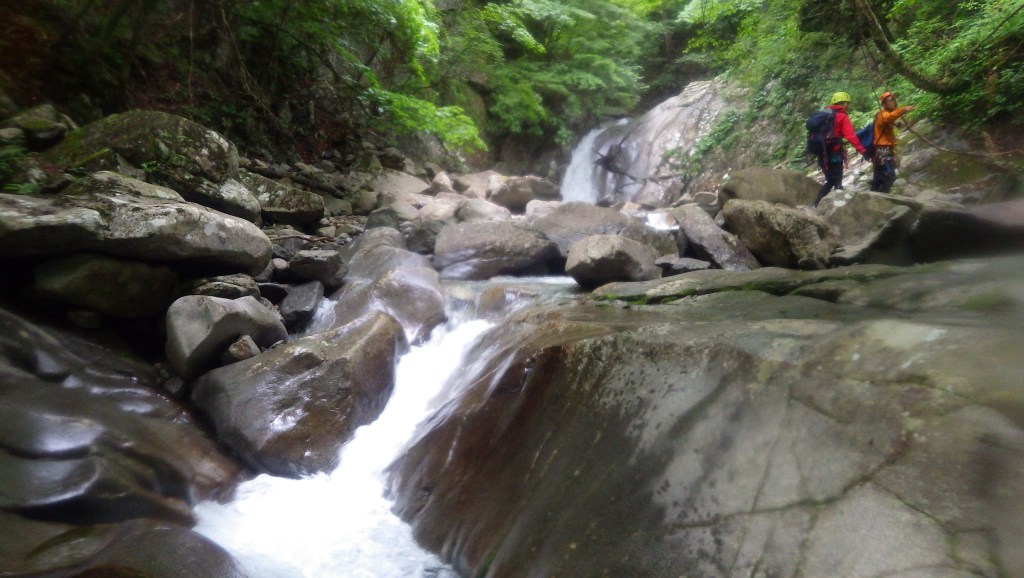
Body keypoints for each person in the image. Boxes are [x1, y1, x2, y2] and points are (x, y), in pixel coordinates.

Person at [814, 91, 868, 207]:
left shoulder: (824, 115)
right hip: (835, 154)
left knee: (830, 180)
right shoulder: (842, 116)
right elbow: (851, 136)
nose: (848, 106)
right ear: (843, 104)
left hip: (822, 154)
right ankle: (838, 208)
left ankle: (816, 204)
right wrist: (863, 150)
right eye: (847, 103)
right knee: (837, 182)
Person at [870, 91, 915, 193]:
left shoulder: (886, 114)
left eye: (894, 100)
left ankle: (874, 195)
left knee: (878, 176)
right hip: (883, 150)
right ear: (884, 104)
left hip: (882, 149)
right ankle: (882, 195)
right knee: (890, 176)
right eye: (891, 100)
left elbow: (891, 119)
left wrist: (897, 123)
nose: (894, 102)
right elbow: (888, 118)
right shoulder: (882, 115)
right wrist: (903, 109)